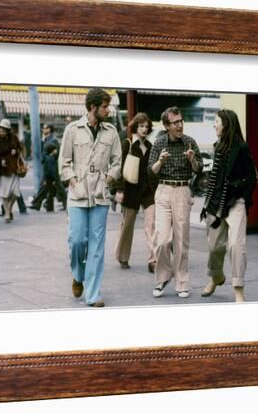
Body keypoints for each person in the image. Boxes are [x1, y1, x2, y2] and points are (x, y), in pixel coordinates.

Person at [59, 88, 122, 307]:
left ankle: (93, 294)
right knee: (77, 241)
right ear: (92, 107)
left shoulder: (111, 132)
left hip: (101, 197)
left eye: (108, 105)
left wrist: (110, 179)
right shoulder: (72, 130)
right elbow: (64, 162)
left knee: (96, 247)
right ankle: (78, 275)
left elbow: (117, 162)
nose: (108, 110)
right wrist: (73, 181)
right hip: (77, 196)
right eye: (104, 106)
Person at [200, 109, 258, 302]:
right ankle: (216, 277)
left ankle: (238, 288)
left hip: (236, 202)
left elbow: (252, 177)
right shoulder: (217, 147)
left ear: (226, 124)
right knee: (215, 246)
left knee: (236, 245)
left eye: (216, 121)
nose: (214, 125)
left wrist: (241, 193)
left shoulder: (241, 147)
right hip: (216, 204)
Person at [148, 106, 203, 299]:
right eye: (175, 122)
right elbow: (150, 171)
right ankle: (162, 277)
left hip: (182, 190)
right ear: (166, 125)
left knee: (181, 241)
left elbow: (198, 170)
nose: (180, 125)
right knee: (162, 240)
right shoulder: (159, 143)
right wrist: (160, 162)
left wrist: (192, 160)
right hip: (163, 190)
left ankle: (182, 282)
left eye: (181, 121)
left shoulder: (190, 142)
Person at [113, 112, 158, 272]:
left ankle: (153, 260)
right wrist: (119, 189)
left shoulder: (151, 147)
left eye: (147, 126)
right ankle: (123, 257)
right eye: (141, 126)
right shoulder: (128, 143)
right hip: (130, 190)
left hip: (148, 191)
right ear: (135, 127)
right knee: (127, 225)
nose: (144, 129)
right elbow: (119, 168)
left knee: (151, 225)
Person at [0, 118, 23, 223]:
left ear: (8, 130)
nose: (2, 131)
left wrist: (16, 150)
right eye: (1, 129)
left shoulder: (13, 137)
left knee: (16, 193)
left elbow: (21, 149)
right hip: (3, 170)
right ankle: (7, 213)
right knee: (4, 193)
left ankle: (9, 208)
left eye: (5, 130)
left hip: (14, 168)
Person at [30, 124, 66, 211]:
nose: (43, 129)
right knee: (48, 186)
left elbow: (55, 153)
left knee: (56, 185)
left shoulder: (53, 140)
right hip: (48, 165)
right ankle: (46, 205)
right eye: (43, 128)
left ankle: (37, 203)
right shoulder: (46, 139)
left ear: (50, 129)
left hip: (52, 166)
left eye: (45, 128)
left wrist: (48, 156)